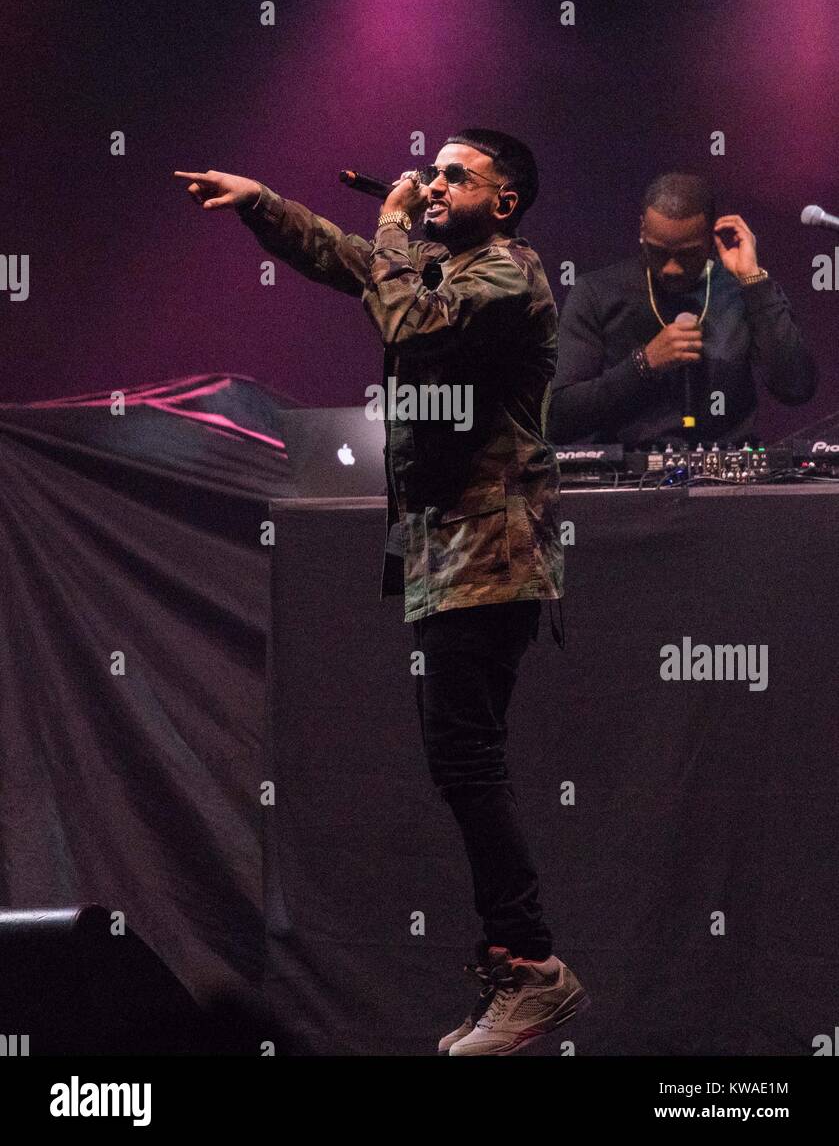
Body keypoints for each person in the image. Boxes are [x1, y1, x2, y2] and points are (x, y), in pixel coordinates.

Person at [175, 129, 590, 1056]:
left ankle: (530, 969)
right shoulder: (440, 271)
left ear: (506, 200)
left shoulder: (505, 279)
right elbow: (353, 261)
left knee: (468, 761)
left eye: (455, 176)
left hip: (494, 554)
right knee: (460, 761)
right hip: (450, 556)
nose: (431, 184)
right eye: (429, 173)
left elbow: (406, 319)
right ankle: (519, 966)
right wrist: (260, 202)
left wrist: (397, 226)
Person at [548, 172, 818, 448]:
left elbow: (796, 388)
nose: (671, 268)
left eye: (688, 253)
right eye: (659, 252)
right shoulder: (598, 292)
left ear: (711, 237)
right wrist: (643, 363)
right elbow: (557, 418)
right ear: (642, 229)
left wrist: (754, 281)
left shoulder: (741, 289)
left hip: (729, 479)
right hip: (628, 480)